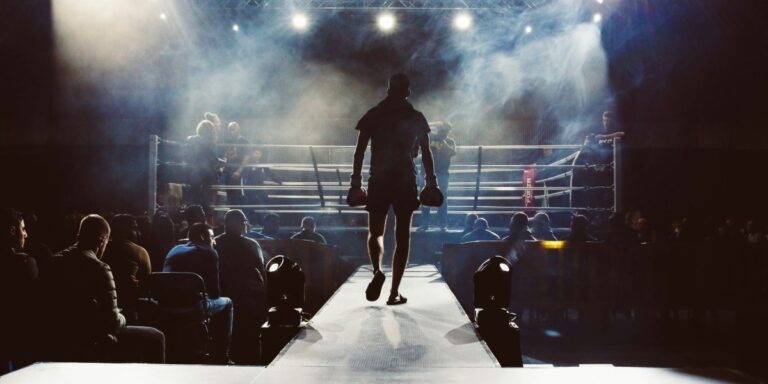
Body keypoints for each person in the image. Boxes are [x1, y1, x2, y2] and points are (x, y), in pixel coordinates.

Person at [350, 73, 438, 305]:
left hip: (378, 178)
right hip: (404, 179)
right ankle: (394, 292)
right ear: (407, 91)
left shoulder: (374, 114)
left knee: (376, 233)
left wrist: (355, 183)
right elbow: (426, 153)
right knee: (402, 237)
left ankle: (378, 270)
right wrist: (432, 182)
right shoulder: (416, 117)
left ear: (388, 90)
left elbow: (359, 152)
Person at [46, 215, 165, 363]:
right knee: (156, 337)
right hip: (91, 339)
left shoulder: (55, 260)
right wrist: (122, 317)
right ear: (102, 240)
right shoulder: (99, 268)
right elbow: (112, 323)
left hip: (58, 337)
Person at [164, 223, 233, 364]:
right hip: (194, 308)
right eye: (212, 237)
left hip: (166, 307)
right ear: (203, 237)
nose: (214, 241)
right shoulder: (209, 252)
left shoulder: (174, 250)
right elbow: (214, 294)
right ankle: (221, 355)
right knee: (227, 303)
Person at [214, 210, 266, 364]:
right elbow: (261, 273)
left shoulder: (215, 243)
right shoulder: (251, 245)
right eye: (243, 222)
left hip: (220, 295)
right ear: (241, 224)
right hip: (245, 299)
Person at [0, 208, 39, 372]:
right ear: (12, 230)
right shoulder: (23, 264)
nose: (26, 234)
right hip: (19, 339)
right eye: (23, 228)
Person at [102, 214, 152, 323]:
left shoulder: (101, 251)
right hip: (130, 309)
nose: (138, 233)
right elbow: (147, 282)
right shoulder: (139, 251)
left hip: (103, 307)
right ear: (125, 231)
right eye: (134, 228)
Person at [575, 111, 625, 209]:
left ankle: (611, 212)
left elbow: (622, 134)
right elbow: (589, 144)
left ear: (612, 120)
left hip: (613, 169)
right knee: (598, 192)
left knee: (611, 193)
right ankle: (597, 213)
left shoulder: (615, 131)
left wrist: (604, 137)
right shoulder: (599, 132)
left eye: (607, 120)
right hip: (600, 169)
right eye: (604, 120)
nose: (605, 122)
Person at [419, 121, 456, 231]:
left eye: (446, 131)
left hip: (442, 173)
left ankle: (442, 225)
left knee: (443, 199)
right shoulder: (430, 139)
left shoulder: (449, 141)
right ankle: (425, 225)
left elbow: (451, 152)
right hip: (426, 173)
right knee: (425, 198)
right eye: (442, 130)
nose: (444, 133)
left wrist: (441, 140)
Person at [186, 120, 221, 216]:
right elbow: (214, 159)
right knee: (207, 200)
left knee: (194, 198)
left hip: (195, 173)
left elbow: (188, 156)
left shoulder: (192, 140)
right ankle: (206, 220)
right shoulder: (211, 143)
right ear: (211, 131)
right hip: (208, 174)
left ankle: (193, 219)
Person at [220, 122, 253, 206]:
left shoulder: (245, 142)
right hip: (228, 172)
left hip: (240, 174)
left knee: (240, 196)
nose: (231, 132)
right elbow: (224, 156)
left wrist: (239, 171)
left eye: (233, 129)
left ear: (238, 129)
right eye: (230, 130)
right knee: (229, 196)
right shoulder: (228, 141)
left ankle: (240, 217)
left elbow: (247, 157)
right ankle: (232, 216)